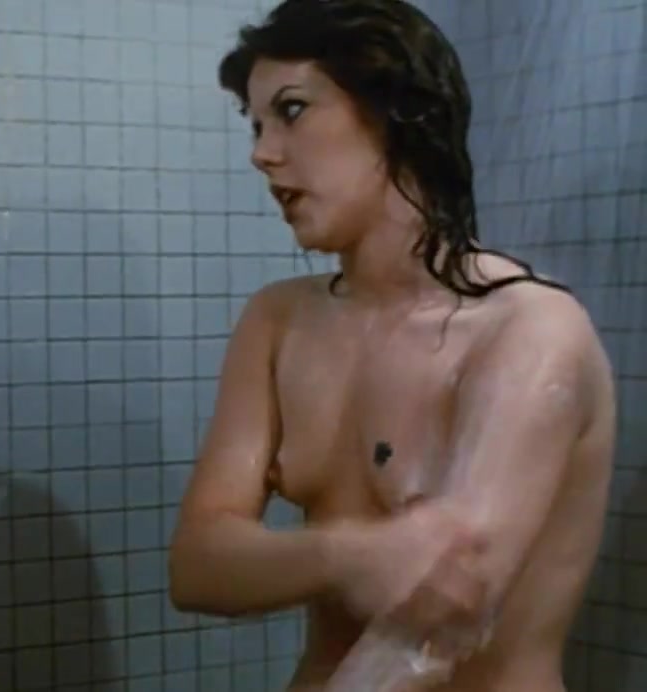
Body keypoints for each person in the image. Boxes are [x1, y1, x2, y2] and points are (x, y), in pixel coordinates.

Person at [168, 1, 615, 690]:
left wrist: (329, 558)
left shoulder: (528, 331)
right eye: (255, 125)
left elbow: (434, 627)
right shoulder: (278, 321)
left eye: (292, 111)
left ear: (396, 112)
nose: (262, 152)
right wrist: (348, 555)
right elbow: (197, 565)